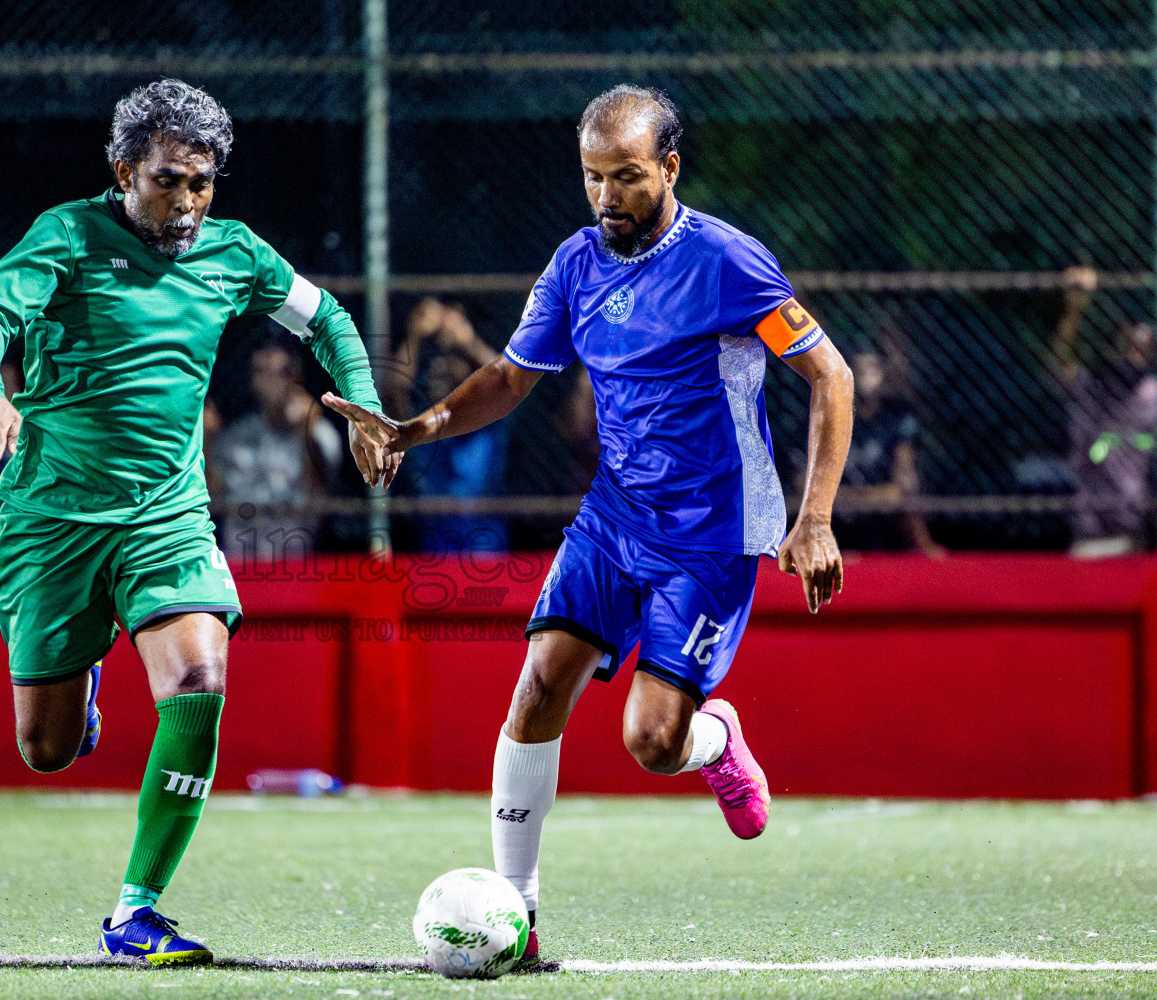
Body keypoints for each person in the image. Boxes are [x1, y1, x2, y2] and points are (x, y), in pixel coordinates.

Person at [324, 84, 852, 963]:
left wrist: (816, 519)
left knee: (651, 741)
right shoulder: (576, 263)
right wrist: (419, 429)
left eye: (629, 178)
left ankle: (716, 739)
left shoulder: (730, 263)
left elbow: (830, 378)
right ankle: (518, 923)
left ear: (670, 169)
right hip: (613, 517)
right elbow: (510, 376)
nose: (608, 197)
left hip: (711, 534)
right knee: (537, 688)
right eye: (594, 178)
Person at [0, 78, 392, 965]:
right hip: (52, 520)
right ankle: (84, 692)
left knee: (198, 684)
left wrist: (365, 403)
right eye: (167, 180)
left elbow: (326, 317)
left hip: (167, 517)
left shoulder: (234, 253)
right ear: (122, 171)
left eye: (202, 182)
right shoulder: (67, 235)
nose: (186, 202)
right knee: (46, 748)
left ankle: (135, 910)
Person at [1052, 265, 1157, 556]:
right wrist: (1074, 310)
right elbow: (1060, 363)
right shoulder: (1092, 388)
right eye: (1128, 346)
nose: (1133, 354)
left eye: (1141, 349)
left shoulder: (1151, 395)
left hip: (1132, 527)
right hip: (1089, 529)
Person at [389, 297, 508, 552]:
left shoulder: (487, 413)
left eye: (452, 358)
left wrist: (467, 341)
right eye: (435, 358)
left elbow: (508, 379)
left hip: (483, 540)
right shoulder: (422, 420)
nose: (440, 367)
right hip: (434, 542)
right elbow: (395, 388)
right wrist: (416, 337)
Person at [212, 340, 343, 566]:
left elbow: (320, 494)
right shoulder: (236, 436)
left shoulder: (319, 434)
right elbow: (212, 493)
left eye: (280, 373)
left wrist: (307, 436)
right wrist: (206, 440)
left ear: (295, 378)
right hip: (240, 567)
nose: (269, 382)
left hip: (296, 569)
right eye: (261, 371)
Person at [833, 351, 944, 557]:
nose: (866, 376)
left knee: (906, 494)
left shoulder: (897, 416)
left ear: (882, 374)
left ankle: (925, 551)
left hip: (884, 493)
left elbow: (905, 470)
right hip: (839, 497)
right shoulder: (833, 415)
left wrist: (888, 492)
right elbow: (806, 477)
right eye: (860, 370)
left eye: (872, 369)